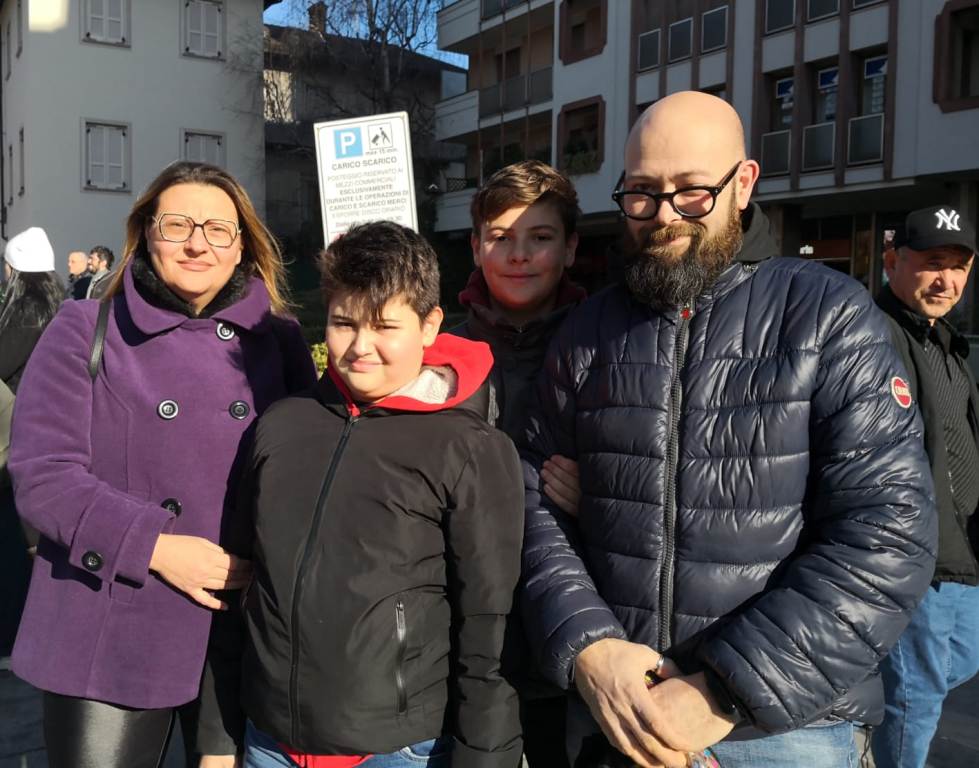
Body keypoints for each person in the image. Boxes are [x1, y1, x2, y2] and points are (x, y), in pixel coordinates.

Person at [519, 90, 937, 768]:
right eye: (641, 193)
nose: (663, 216)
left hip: (786, 730)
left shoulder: (828, 316)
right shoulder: (587, 330)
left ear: (742, 184)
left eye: (691, 192)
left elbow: (888, 531)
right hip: (615, 711)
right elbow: (529, 502)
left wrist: (724, 689)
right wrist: (588, 645)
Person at [8, 161, 317, 768]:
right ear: (147, 233)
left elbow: (308, 464)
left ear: (241, 246)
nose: (198, 243)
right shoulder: (84, 327)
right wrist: (155, 547)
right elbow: (43, 474)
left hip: (241, 624)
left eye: (218, 229)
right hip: (108, 619)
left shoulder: (278, 339)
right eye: (177, 225)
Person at [198, 221, 524, 768]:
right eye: (343, 323)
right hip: (268, 740)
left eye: (385, 326)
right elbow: (236, 586)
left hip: (396, 750)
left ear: (429, 326)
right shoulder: (279, 425)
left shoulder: (469, 448)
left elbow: (489, 630)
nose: (360, 346)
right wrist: (216, 736)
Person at [450, 159, 583, 768]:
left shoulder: (612, 344)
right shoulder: (438, 353)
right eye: (500, 237)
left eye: (540, 237)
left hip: (571, 636)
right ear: (476, 247)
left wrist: (602, 492)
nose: (519, 255)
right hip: (457, 636)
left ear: (571, 247)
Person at [870, 205, 979, 768]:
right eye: (933, 263)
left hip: (962, 550)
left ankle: (867, 704)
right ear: (892, 262)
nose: (947, 281)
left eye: (959, 267)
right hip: (916, 554)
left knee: (956, 662)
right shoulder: (874, 333)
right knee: (918, 698)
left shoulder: (946, 342)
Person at [0, 226, 64, 658]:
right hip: (51, 426)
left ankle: (11, 636)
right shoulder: (60, 304)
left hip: (19, 430)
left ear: (14, 270)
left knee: (14, 533)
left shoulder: (25, 310)